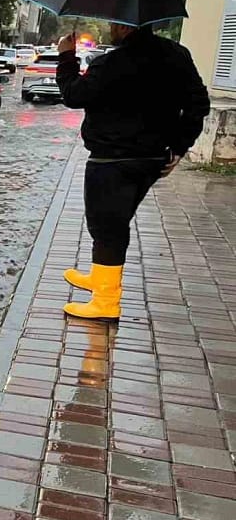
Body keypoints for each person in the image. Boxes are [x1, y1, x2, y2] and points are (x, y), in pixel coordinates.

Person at [55, 24, 210, 321]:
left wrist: (66, 56)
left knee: (106, 228)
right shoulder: (177, 55)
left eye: (115, 24)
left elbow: (74, 95)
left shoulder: (112, 63)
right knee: (116, 222)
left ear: (126, 26)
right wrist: (178, 147)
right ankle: (103, 276)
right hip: (151, 158)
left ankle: (105, 301)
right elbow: (197, 105)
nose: (112, 28)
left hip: (112, 160)